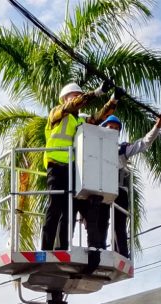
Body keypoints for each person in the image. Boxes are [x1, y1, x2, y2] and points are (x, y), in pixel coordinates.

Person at [41, 81, 118, 251]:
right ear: (65, 98)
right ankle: (46, 248)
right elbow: (74, 104)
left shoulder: (78, 120)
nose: (77, 97)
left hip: (70, 167)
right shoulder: (57, 112)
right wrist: (98, 92)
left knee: (68, 211)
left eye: (78, 94)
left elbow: (98, 119)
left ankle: (62, 248)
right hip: (55, 164)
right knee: (54, 208)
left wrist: (113, 100)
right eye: (74, 95)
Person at [98, 114, 161, 256]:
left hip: (119, 189)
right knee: (101, 221)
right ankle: (99, 250)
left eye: (116, 129)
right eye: (110, 127)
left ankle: (121, 252)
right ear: (103, 128)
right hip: (102, 189)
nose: (113, 130)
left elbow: (144, 143)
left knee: (120, 223)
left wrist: (157, 127)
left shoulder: (122, 149)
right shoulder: (95, 147)